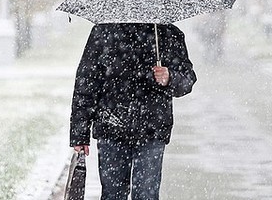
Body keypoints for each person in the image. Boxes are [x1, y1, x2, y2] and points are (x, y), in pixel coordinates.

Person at [69, 23, 196, 200]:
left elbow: (188, 79)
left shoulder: (167, 34)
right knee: (113, 195)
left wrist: (170, 77)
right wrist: (79, 134)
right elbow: (87, 83)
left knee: (146, 194)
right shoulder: (104, 32)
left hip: (152, 130)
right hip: (111, 129)